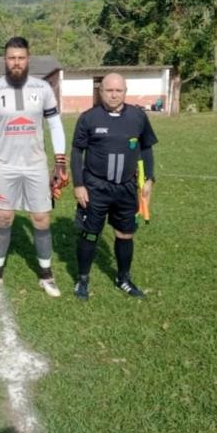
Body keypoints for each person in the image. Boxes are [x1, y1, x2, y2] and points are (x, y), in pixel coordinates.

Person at [0, 37, 67, 298]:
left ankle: (46, 275)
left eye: (21, 57)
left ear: (29, 59)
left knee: (41, 219)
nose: (16, 62)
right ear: (5, 60)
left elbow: (55, 125)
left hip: (36, 166)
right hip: (4, 166)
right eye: (11, 58)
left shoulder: (43, 88)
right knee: (3, 217)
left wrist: (59, 162)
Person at [70, 72, 157, 301]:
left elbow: (146, 148)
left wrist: (149, 178)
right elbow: (77, 152)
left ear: (125, 92)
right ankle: (82, 279)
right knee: (90, 235)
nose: (114, 94)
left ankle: (123, 278)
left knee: (125, 234)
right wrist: (79, 184)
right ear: (101, 91)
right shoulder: (89, 118)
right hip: (95, 187)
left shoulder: (138, 116)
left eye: (119, 90)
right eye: (109, 90)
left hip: (127, 188)